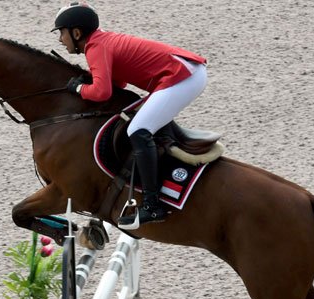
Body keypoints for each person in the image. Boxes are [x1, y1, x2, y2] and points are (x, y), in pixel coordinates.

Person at [52, 2, 208, 228]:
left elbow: (102, 92)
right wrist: (91, 79)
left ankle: (154, 206)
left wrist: (78, 89)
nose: (60, 40)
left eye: (62, 33)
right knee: (144, 124)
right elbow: (119, 82)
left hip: (183, 76)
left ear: (76, 33)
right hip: (187, 72)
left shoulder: (95, 47)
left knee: (138, 130)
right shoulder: (101, 41)